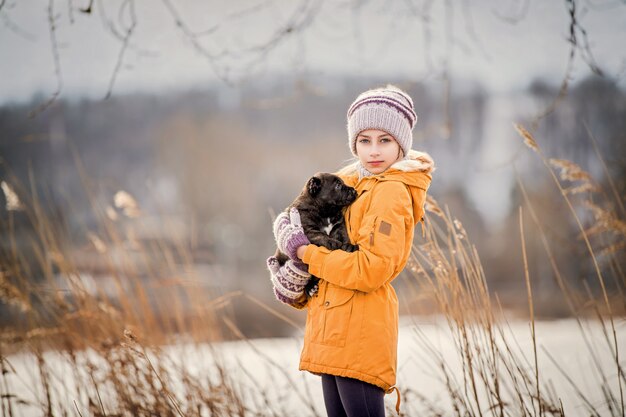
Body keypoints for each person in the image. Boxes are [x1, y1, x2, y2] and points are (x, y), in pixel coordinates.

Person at [267, 85, 434, 417]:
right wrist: (292, 267)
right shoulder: (349, 184)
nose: (373, 151)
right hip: (330, 330)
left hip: (360, 331)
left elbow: (370, 270)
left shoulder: (391, 193)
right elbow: (308, 230)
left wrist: (306, 253)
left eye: (384, 140)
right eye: (364, 140)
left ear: (401, 143)